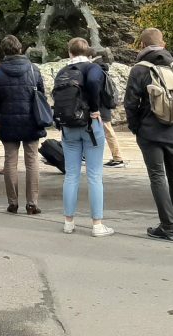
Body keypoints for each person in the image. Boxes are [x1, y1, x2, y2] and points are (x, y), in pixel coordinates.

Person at [124, 28, 173, 241]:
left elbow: (130, 103)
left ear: (142, 46)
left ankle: (167, 226)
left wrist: (136, 127)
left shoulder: (139, 69)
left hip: (150, 130)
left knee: (157, 176)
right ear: (163, 43)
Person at [59, 38, 113, 237]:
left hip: (69, 126)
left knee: (71, 175)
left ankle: (68, 222)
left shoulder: (63, 71)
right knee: (94, 175)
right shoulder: (92, 68)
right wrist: (95, 109)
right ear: (88, 50)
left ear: (70, 51)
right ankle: (97, 225)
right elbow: (92, 83)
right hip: (90, 125)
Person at [0, 35, 46, 215]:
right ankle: (32, 203)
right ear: (20, 49)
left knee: (10, 161)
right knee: (32, 161)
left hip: (8, 120)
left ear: (4, 51)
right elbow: (41, 94)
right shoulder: (33, 69)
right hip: (31, 120)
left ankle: (12, 202)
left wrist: (5, 110)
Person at [93, 49, 125, 168]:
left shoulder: (96, 71)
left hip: (100, 106)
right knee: (105, 131)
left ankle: (118, 158)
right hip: (104, 105)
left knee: (107, 131)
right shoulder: (103, 70)